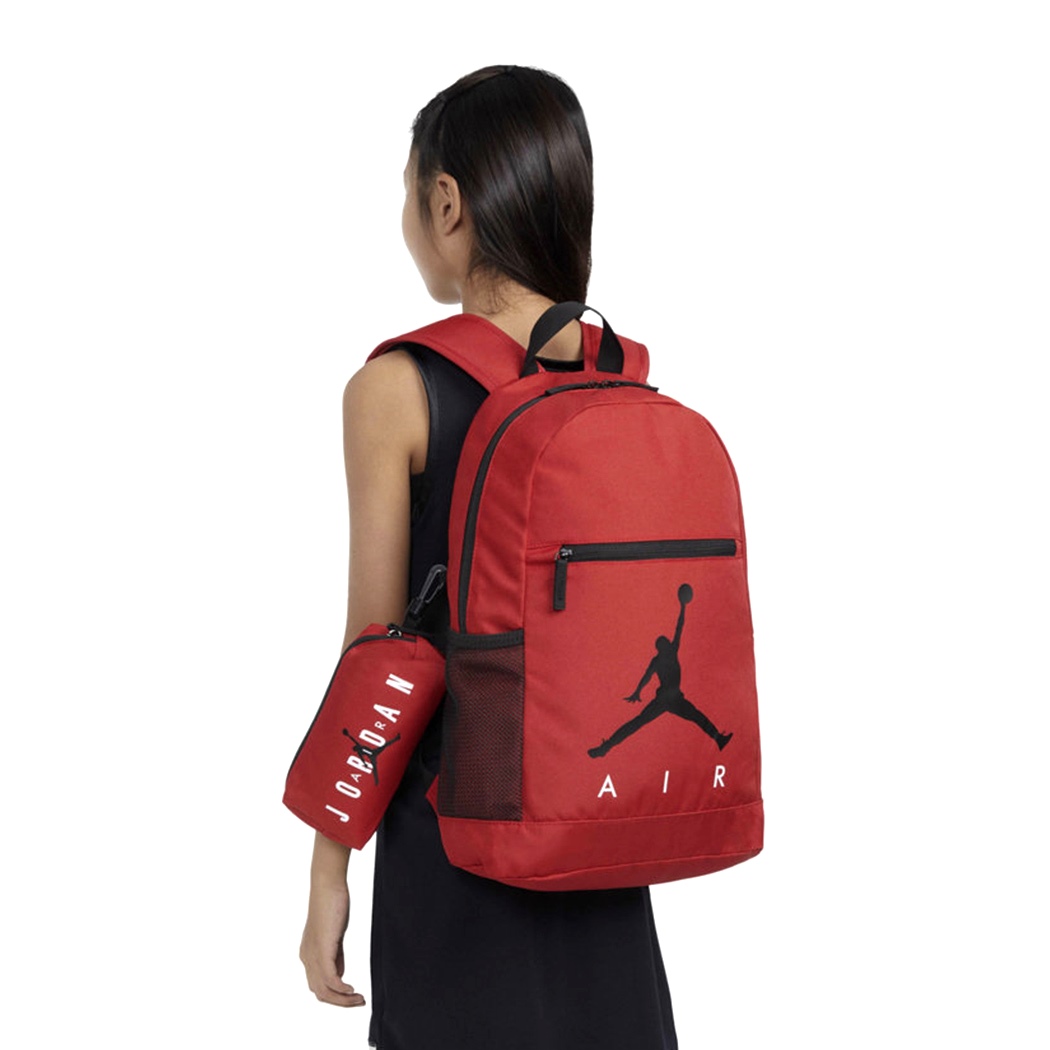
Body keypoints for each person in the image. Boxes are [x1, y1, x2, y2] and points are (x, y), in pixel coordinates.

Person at [298, 65, 678, 1050]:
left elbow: (376, 659)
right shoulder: (619, 379)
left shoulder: (395, 389)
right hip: (599, 844)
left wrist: (330, 869)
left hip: (453, 853)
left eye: (407, 192)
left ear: (446, 202)